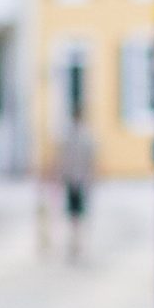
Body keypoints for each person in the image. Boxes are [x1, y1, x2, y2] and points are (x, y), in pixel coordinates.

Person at [56, 101, 95, 263]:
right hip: (75, 179)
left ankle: (76, 242)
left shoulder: (76, 136)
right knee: (76, 213)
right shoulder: (81, 136)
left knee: (75, 213)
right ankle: (75, 242)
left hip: (75, 179)